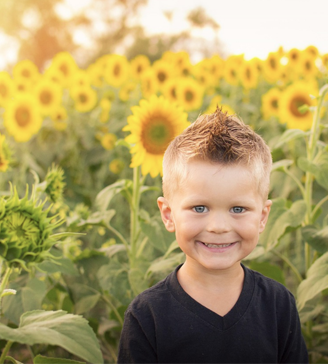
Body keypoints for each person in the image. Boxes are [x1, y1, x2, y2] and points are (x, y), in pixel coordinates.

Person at [117, 108, 308, 364]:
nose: (218, 226)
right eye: (199, 208)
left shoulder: (278, 306)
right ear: (168, 214)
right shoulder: (147, 316)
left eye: (238, 209)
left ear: (262, 217)